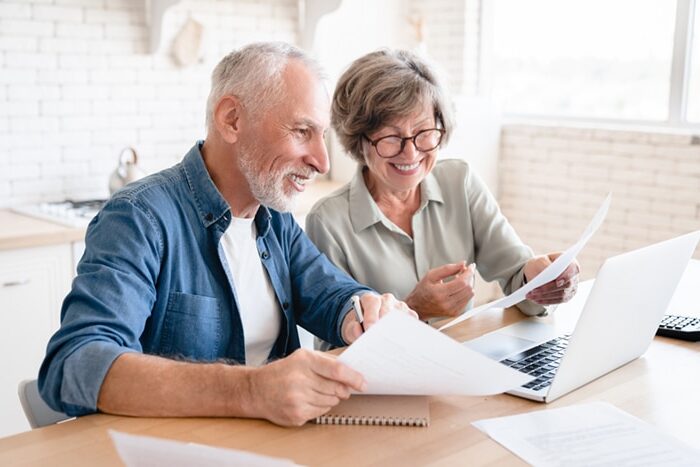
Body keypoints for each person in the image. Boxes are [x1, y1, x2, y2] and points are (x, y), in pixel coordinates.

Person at [38, 42, 414, 427]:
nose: (322, 161)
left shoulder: (272, 215)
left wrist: (363, 309)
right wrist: (251, 390)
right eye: (302, 131)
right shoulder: (140, 218)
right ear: (232, 119)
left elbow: (331, 295)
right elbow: (74, 365)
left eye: (321, 136)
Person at [305, 49, 579, 338]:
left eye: (424, 133)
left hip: (461, 365)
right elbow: (335, 348)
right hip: (384, 380)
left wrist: (540, 280)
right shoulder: (328, 221)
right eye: (391, 137)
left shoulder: (460, 182)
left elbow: (516, 275)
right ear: (359, 141)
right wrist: (414, 308)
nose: (410, 152)